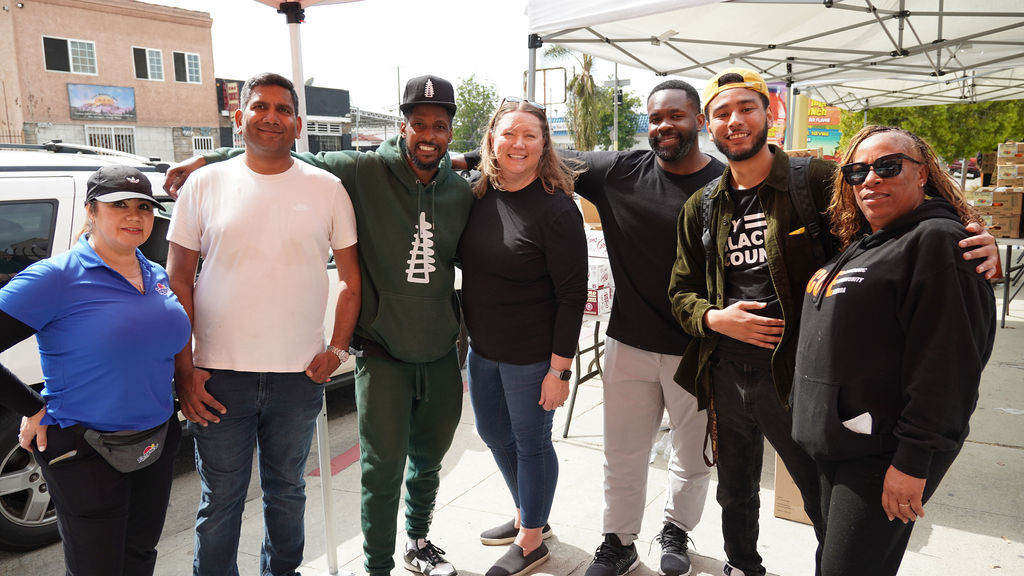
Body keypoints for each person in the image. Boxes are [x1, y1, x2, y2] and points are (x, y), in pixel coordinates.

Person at [667, 68, 999, 576]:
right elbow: (681, 291)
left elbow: (895, 230)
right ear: (708, 126)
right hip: (727, 371)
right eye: (721, 114)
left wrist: (972, 233)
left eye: (746, 108)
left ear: (769, 114)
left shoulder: (816, 180)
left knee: (823, 499)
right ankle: (742, 566)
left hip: (800, 377)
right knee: (735, 489)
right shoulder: (702, 206)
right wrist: (716, 318)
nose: (734, 122)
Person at [163, 74, 472, 576]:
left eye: (439, 125)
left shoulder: (460, 192)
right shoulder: (359, 170)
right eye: (418, 123)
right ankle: (377, 566)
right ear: (402, 125)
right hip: (343, 356)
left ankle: (417, 541)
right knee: (231, 500)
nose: (428, 134)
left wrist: (337, 348)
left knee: (308, 488)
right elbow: (278, 155)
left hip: (412, 353)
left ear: (451, 132)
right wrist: (205, 158)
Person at [454, 79, 725, 576]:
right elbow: (524, 145)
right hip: (629, 341)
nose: (665, 126)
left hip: (698, 348)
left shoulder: (725, 186)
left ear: (699, 122)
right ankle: (615, 542)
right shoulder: (621, 169)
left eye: (677, 117)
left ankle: (676, 532)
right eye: (656, 117)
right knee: (621, 457)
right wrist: (460, 159)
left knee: (691, 457)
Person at [166, 72, 361, 576]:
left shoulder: (328, 189)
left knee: (287, 492)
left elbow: (351, 281)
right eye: (260, 107)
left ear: (297, 124)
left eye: (282, 109)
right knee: (220, 502)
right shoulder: (204, 184)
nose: (271, 116)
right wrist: (184, 370)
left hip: (298, 377)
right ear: (239, 117)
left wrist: (337, 351)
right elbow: (178, 282)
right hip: (216, 376)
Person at [791, 125, 995, 576]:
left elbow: (950, 367)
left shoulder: (938, 242)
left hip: (884, 451)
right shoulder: (865, 243)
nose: (871, 179)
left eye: (888, 166)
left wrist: (913, 460)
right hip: (836, 443)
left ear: (923, 175)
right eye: (858, 171)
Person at [0, 165, 190, 575]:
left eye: (144, 206)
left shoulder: (154, 274)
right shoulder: (55, 278)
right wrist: (33, 407)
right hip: (83, 448)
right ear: (91, 211)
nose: (134, 216)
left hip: (156, 439)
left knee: (140, 556)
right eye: (118, 204)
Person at [459, 98, 588, 576]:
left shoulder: (557, 208)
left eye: (530, 135)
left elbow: (573, 295)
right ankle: (529, 515)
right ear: (492, 137)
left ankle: (532, 538)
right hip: (483, 350)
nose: (518, 143)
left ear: (543, 145)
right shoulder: (477, 196)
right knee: (493, 434)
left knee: (531, 443)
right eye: (509, 133)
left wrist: (560, 370)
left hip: (532, 356)